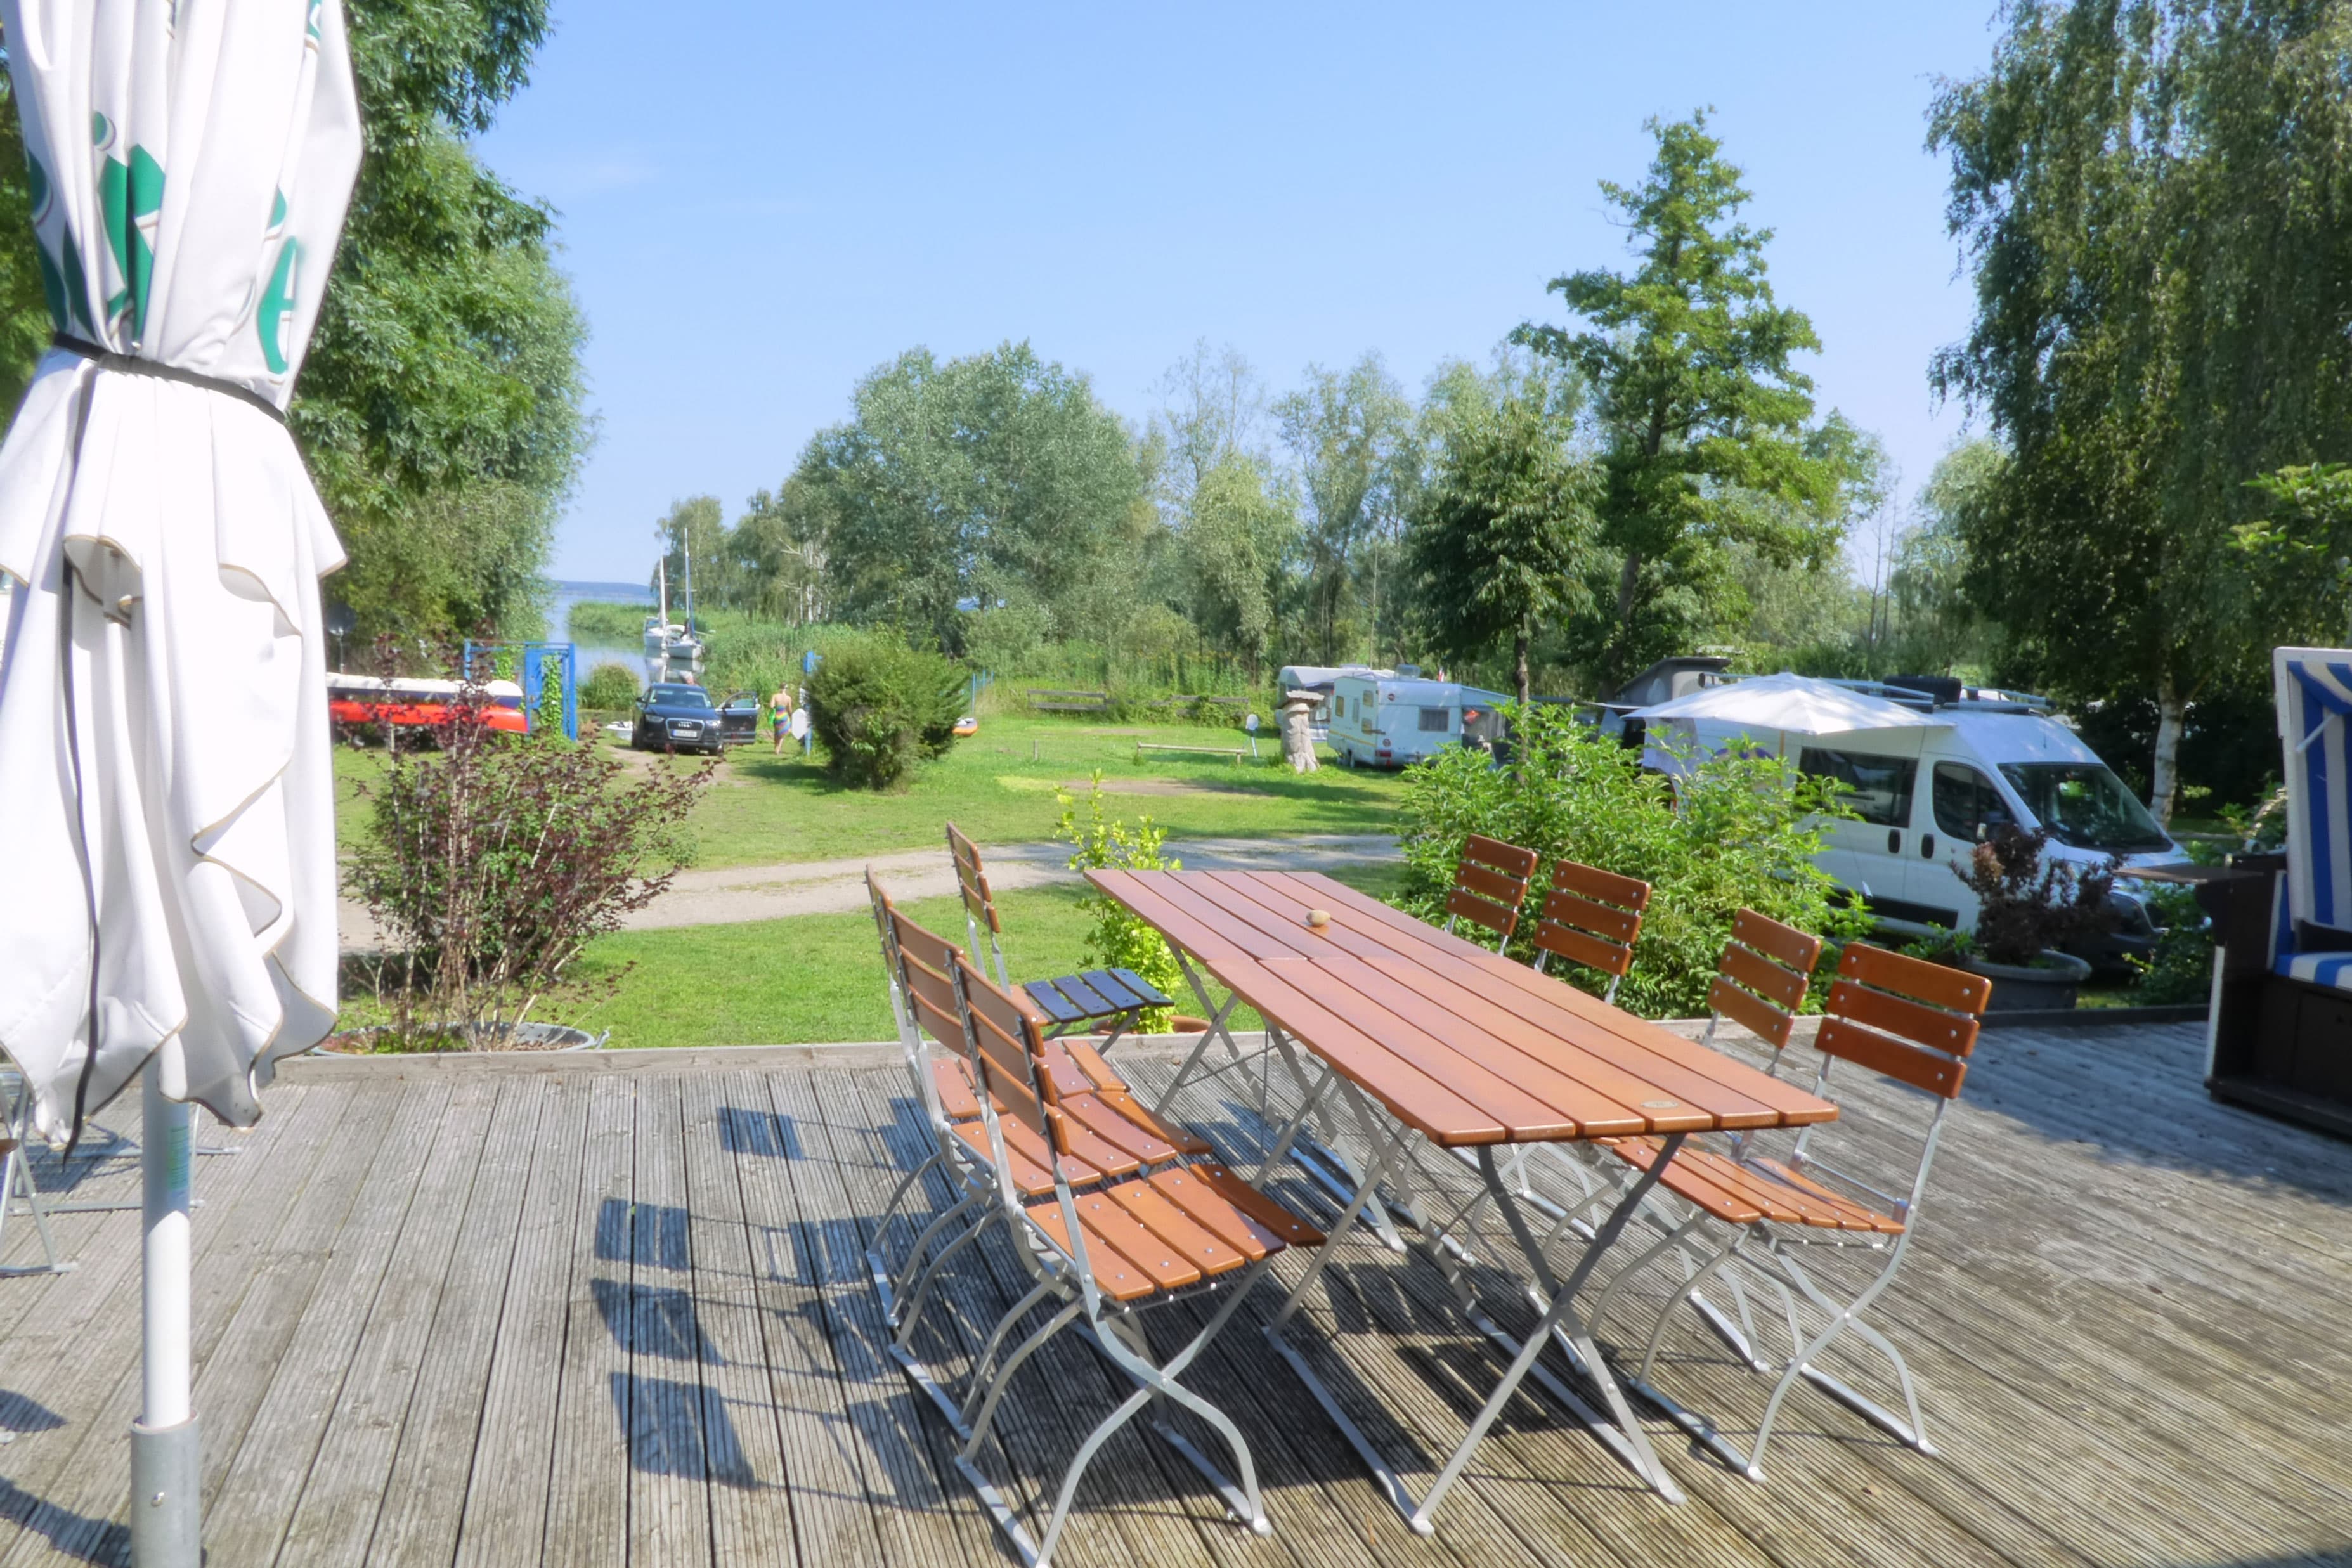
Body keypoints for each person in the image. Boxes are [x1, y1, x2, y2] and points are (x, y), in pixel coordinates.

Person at [772, 685, 795, 755]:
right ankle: (778, 749)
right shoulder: (788, 698)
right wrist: (791, 716)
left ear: (780, 688)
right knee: (782, 733)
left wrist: (776, 708)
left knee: (777, 732)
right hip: (784, 716)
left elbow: (771, 706)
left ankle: (776, 746)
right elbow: (790, 709)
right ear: (786, 689)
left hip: (777, 715)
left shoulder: (775, 696)